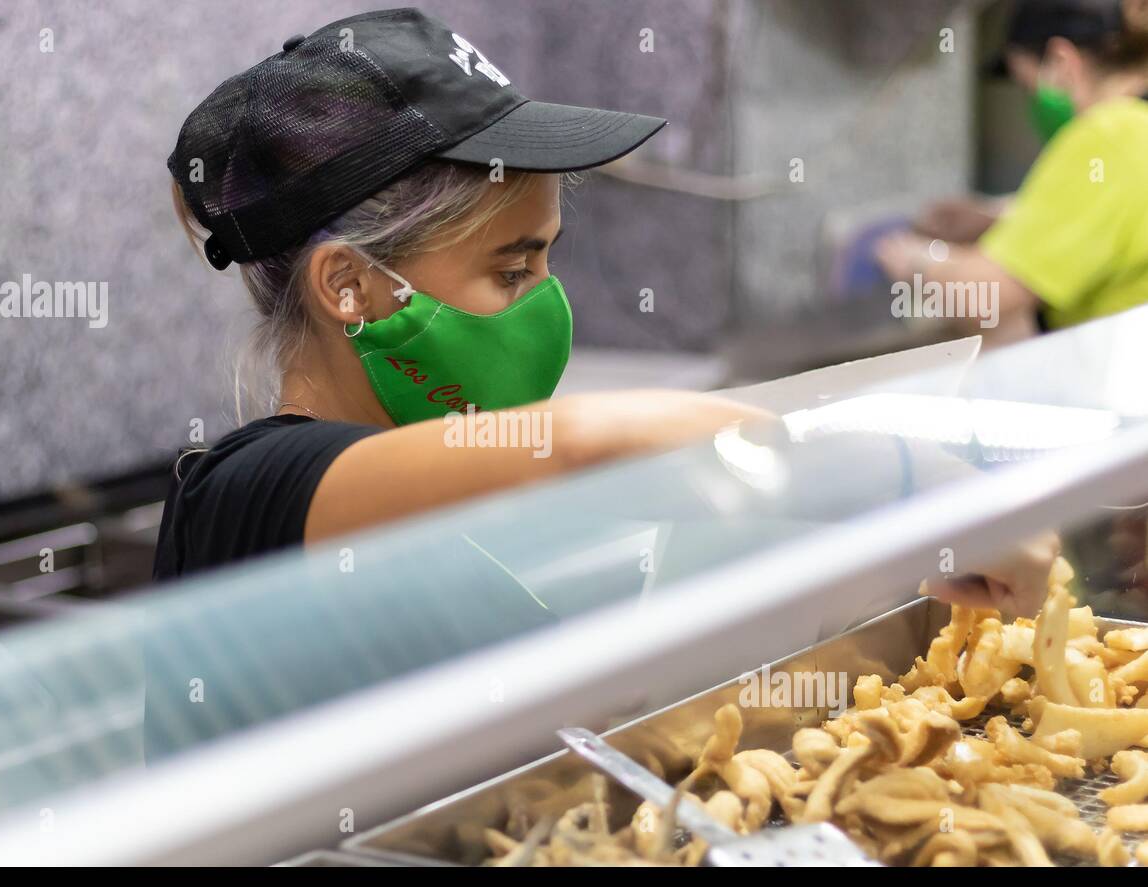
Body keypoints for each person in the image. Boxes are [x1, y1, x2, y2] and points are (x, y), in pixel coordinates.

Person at [152, 7, 1053, 619]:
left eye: (548, 258)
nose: (546, 305)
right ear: (348, 286)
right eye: (511, 272)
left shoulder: (454, 490)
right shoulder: (246, 495)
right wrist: (916, 488)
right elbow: (591, 443)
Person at [876, 0, 1148, 339]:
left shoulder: (1107, 136)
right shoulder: (1137, 127)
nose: (1031, 103)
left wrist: (917, 260)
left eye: (1028, 87)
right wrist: (999, 218)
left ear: (1062, 61)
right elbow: (1116, 224)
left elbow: (983, 299)